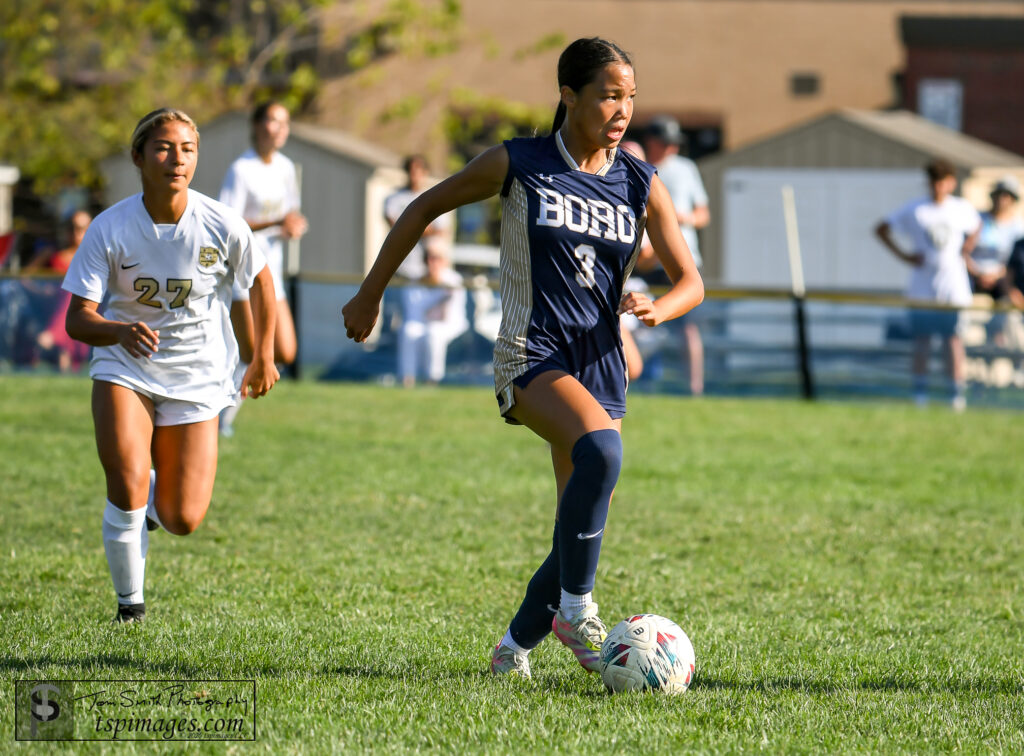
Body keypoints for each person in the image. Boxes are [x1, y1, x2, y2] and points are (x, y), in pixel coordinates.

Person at [342, 37, 704, 678]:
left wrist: (659, 308)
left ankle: (512, 651)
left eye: (631, 97)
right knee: (604, 454)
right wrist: (370, 294)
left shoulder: (641, 181)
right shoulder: (520, 162)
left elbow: (691, 281)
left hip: (601, 364)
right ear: (569, 96)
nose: (622, 110)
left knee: (580, 519)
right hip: (529, 353)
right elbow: (425, 206)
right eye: (609, 95)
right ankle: (576, 612)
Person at [63, 108, 279, 623]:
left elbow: (263, 282)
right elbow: (78, 319)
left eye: (186, 148)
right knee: (128, 478)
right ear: (138, 157)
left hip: (199, 374)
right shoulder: (110, 227)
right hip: (125, 367)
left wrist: (262, 354)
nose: (176, 159)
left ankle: (151, 504)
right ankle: (129, 607)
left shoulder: (222, 223)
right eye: (163, 147)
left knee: (183, 517)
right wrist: (119, 331)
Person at [218, 100, 307, 436]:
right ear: (256, 126)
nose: (280, 128)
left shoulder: (285, 167)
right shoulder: (241, 170)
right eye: (272, 120)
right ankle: (217, 416)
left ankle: (219, 412)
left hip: (272, 271)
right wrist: (274, 222)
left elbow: (289, 214)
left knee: (283, 350)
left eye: (285, 122)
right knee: (251, 351)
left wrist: (290, 227)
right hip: (243, 272)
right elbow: (227, 225)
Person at [875, 158, 981, 411]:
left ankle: (956, 395)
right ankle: (920, 394)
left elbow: (977, 226)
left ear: (951, 183)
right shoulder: (916, 209)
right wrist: (904, 256)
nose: (938, 187)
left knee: (952, 340)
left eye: (942, 182)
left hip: (952, 287)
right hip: (923, 287)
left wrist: (968, 247)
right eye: (934, 182)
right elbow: (881, 229)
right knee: (922, 340)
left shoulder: (961, 208)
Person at [640, 115, 710, 395]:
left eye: (674, 144)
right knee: (642, 324)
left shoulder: (685, 168)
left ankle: (693, 387)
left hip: (683, 256)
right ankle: (646, 380)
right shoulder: (639, 165)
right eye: (665, 143)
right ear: (652, 143)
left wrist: (683, 219)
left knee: (688, 328)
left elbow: (703, 214)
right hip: (646, 258)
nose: (671, 149)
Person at [27, 210, 92, 372]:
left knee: (73, 293)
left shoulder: (94, 257)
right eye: (72, 227)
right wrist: (44, 291)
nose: (77, 233)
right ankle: (58, 342)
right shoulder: (53, 255)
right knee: (69, 293)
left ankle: (54, 337)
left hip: (84, 309)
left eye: (82, 228)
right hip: (51, 308)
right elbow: (24, 278)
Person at [397, 243, 468, 387]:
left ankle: (432, 380)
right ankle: (407, 379)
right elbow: (413, 314)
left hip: (450, 325)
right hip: (422, 322)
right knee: (409, 331)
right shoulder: (415, 282)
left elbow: (448, 315)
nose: (431, 262)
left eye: (436, 258)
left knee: (434, 332)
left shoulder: (453, 280)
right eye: (427, 258)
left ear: (444, 260)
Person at [969, 176, 1023, 345]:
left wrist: (998, 276)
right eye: (999, 195)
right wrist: (977, 273)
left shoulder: (1018, 227)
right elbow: (964, 252)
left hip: (1002, 281)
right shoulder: (976, 220)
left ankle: (998, 337)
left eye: (1007, 196)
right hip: (973, 276)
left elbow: (1014, 262)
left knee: (1009, 309)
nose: (1002, 200)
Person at [385, 155, 453, 282]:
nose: (414, 175)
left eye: (418, 171)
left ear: (425, 173)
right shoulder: (394, 199)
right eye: (411, 171)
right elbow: (396, 228)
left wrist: (409, 226)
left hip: (425, 271)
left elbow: (441, 231)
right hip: (399, 268)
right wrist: (423, 227)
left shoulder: (434, 198)